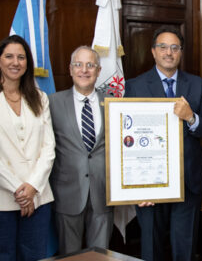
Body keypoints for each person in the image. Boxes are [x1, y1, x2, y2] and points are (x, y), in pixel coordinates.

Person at [124, 25, 202, 261]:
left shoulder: (195, 84)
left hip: (187, 182)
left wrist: (191, 117)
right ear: (153, 51)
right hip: (148, 184)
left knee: (184, 249)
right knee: (151, 248)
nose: (169, 52)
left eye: (175, 48)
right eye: (163, 47)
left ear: (181, 52)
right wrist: (135, 185)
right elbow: (125, 137)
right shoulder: (135, 86)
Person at [0, 35, 55, 260]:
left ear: (27, 63)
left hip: (38, 197)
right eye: (9, 56)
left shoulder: (40, 98)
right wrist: (20, 192)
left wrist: (32, 188)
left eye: (21, 57)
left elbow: (49, 147)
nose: (15, 62)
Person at [49, 46, 114, 254]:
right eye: (78, 64)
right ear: (70, 69)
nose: (84, 70)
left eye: (90, 65)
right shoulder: (52, 103)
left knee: (100, 255)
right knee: (69, 255)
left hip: (103, 194)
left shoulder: (112, 103)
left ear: (98, 70)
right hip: (66, 194)